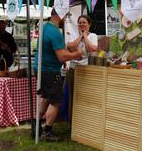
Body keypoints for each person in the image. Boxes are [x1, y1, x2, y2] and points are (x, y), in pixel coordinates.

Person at [33, 9, 84, 141]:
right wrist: (76, 54)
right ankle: (47, 131)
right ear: (59, 15)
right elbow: (62, 56)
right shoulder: (55, 32)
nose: (65, 19)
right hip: (49, 71)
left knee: (45, 97)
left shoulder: (45, 27)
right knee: (56, 101)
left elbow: (59, 50)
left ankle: (36, 127)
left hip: (41, 69)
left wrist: (71, 54)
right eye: (65, 15)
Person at [65, 14, 99, 117]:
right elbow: (70, 47)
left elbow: (91, 49)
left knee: (84, 97)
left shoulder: (93, 36)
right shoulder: (73, 34)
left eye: (84, 22)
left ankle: (83, 121)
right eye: (80, 22)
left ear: (89, 24)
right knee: (72, 96)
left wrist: (85, 36)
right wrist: (80, 36)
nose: (81, 24)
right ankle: (72, 123)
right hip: (73, 69)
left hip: (86, 70)